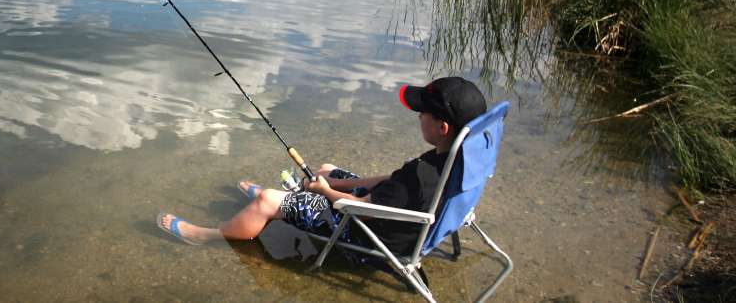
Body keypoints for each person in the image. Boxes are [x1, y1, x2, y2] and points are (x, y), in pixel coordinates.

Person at [157, 76, 488, 257]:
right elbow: (390, 180)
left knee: (267, 201)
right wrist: (331, 183)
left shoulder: (419, 178)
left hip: (371, 234)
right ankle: (289, 200)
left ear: (442, 127)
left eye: (423, 113)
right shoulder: (455, 159)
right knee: (327, 168)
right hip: (400, 214)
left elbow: (361, 209)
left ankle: (208, 234)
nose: (418, 116)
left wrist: (326, 192)